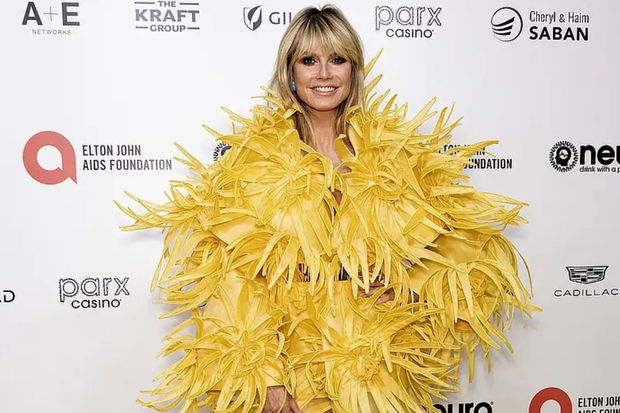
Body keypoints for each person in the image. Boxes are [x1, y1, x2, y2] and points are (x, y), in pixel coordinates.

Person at [115, 4, 537, 413]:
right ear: (290, 72)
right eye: (308, 60)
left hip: (376, 359)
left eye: (337, 59)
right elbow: (235, 277)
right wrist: (264, 377)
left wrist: (410, 286)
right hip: (291, 351)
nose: (323, 73)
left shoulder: (397, 154)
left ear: (353, 70)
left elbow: (466, 243)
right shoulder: (255, 161)